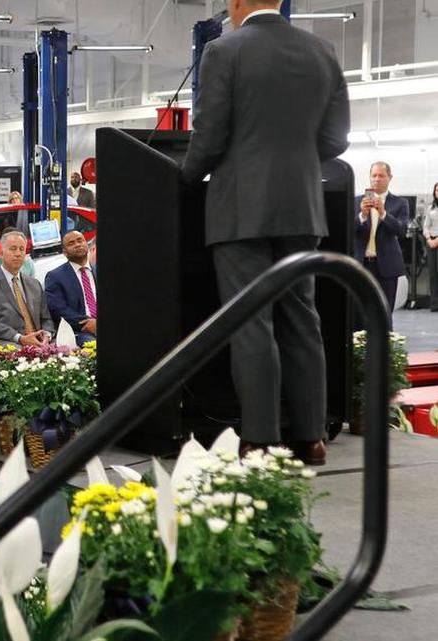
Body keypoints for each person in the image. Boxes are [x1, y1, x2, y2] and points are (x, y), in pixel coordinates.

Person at [180, 0, 350, 463]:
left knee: (251, 322)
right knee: (302, 319)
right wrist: (292, 160)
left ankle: (260, 437)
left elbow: (210, 135)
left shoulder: (224, 51)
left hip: (240, 211)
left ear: (237, 4)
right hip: (302, 207)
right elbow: (336, 140)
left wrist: (183, 178)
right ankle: (312, 438)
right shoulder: (323, 50)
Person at [0, 231, 52, 347]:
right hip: (7, 342)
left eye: (21, 249)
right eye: (13, 249)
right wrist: (20, 338)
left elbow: (47, 319)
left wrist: (47, 335)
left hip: (39, 342)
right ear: (1, 252)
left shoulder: (34, 284)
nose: (18, 254)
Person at [354, 161, 409, 325]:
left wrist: (383, 213)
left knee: (384, 313)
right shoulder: (357, 201)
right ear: (369, 178)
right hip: (360, 264)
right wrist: (362, 216)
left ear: (389, 178)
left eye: (381, 175)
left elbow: (401, 230)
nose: (377, 179)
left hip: (386, 266)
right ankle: (360, 350)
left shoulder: (400, 203)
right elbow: (347, 228)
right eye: (374, 175)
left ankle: (384, 350)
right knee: (357, 313)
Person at [44, 231, 97, 346]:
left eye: (80, 240)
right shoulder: (55, 277)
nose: (77, 245)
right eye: (71, 243)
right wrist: (90, 324)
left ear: (87, 245)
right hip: (79, 332)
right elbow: (58, 310)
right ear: (65, 252)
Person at [424, 182, 438, 312]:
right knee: (433, 273)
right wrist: (429, 239)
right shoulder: (431, 208)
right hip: (431, 243)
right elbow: (426, 226)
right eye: (437, 191)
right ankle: (434, 303)